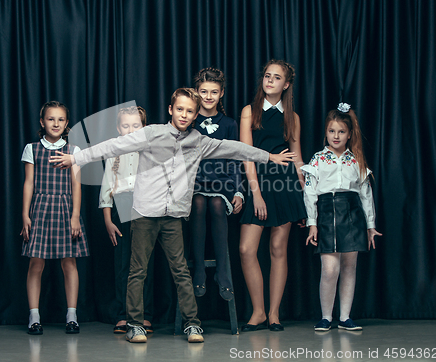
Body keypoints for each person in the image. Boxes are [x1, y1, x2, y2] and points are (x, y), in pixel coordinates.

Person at [50, 88, 297, 343]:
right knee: (137, 271)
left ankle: (193, 324)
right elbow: (114, 145)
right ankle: (135, 324)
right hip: (145, 212)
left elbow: (232, 148)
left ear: (195, 115)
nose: (184, 114)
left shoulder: (198, 141)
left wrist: (268, 156)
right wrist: (77, 157)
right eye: (180, 109)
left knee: (180, 270)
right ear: (171, 109)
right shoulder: (151, 134)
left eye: (190, 111)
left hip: (173, 216)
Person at [239, 59, 307, 332]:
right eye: (267, 76)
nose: (269, 81)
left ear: (286, 84)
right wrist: (256, 194)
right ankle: (258, 312)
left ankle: (274, 314)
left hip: (285, 185)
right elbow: (247, 155)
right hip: (259, 184)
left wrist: (306, 201)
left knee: (278, 250)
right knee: (246, 249)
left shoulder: (293, 117)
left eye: (276, 77)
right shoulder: (249, 112)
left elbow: (298, 159)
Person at [302, 103, 382, 331]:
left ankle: (345, 317)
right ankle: (326, 317)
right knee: (329, 269)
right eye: (331, 131)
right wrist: (312, 223)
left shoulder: (356, 160)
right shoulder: (317, 159)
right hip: (326, 212)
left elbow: (366, 194)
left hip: (352, 212)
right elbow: (309, 193)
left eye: (341, 132)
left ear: (349, 134)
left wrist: (370, 225)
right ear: (326, 132)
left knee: (349, 266)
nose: (336, 136)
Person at [20, 101, 89, 335]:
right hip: (40, 209)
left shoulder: (74, 150)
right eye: (51, 119)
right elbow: (29, 183)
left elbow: (76, 185)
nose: (56, 123)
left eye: (61, 119)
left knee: (69, 262)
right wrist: (25, 215)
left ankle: (72, 315)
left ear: (67, 123)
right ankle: (34, 316)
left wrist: (75, 215)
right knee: (36, 263)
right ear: (42, 122)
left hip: (65, 208)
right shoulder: (32, 148)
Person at [98, 106, 155, 334]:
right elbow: (106, 187)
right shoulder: (114, 151)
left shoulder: (151, 150)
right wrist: (108, 220)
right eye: (125, 126)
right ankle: (124, 315)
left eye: (135, 125)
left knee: (145, 264)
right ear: (118, 128)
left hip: (146, 206)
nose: (130, 130)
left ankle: (145, 315)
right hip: (122, 205)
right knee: (123, 264)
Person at [190, 67, 242, 301]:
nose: (208, 97)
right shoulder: (188, 120)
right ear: (197, 93)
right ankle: (199, 270)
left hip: (221, 183)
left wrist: (239, 190)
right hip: (196, 183)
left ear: (221, 94)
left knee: (217, 206)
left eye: (214, 92)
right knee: (199, 203)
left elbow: (235, 159)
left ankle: (223, 272)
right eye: (204, 91)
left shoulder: (229, 124)